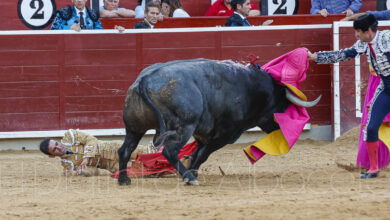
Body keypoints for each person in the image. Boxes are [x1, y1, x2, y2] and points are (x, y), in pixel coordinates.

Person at [307, 14, 390, 179]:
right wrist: (316, 57)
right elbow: (344, 54)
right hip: (386, 88)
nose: (356, 35)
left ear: (367, 31)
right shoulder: (363, 44)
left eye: (358, 31)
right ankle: (373, 168)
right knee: (371, 127)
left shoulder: (387, 37)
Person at [39, 129, 153, 176]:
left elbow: (91, 139)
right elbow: (94, 171)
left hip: (112, 148)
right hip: (110, 165)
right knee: (142, 171)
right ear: (51, 156)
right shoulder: (69, 166)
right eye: (55, 149)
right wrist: (81, 172)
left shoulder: (71, 136)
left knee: (148, 153)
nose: (59, 147)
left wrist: (87, 157)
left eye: (57, 144)